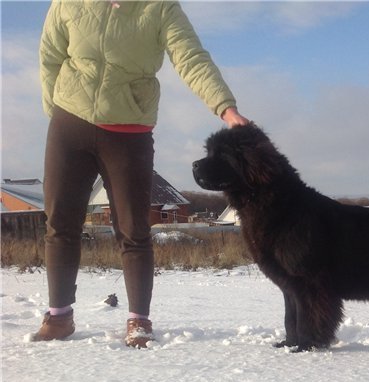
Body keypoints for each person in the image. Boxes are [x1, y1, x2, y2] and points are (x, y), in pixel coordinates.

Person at [35, 0, 249, 348]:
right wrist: (56, 111)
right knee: (59, 221)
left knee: (134, 227)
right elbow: (50, 56)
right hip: (69, 124)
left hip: (128, 131)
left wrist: (226, 109)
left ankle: (139, 320)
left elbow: (191, 57)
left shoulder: (160, 7)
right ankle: (59, 315)